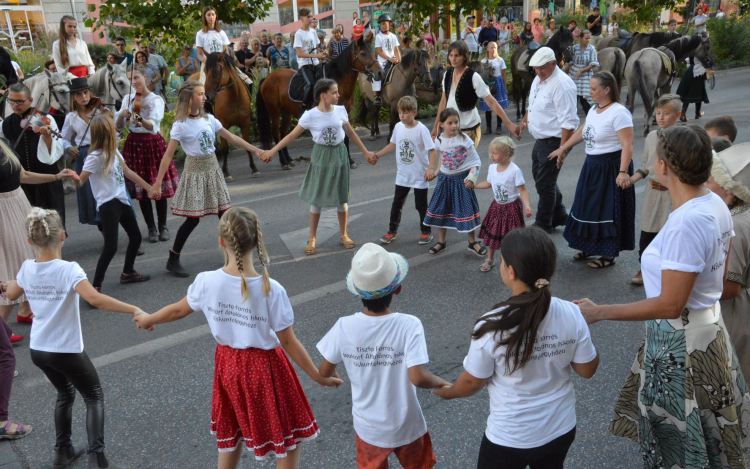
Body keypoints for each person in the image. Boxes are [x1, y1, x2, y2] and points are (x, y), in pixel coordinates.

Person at [576, 124, 750, 467]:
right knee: (708, 441)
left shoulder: (687, 222)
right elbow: (714, 275)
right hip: (707, 332)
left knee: (681, 448)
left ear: (663, 166)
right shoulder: (714, 202)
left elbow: (671, 304)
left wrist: (599, 312)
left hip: (681, 342)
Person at [135, 207, 340, 468]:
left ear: (221, 242)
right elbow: (288, 341)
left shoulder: (206, 282)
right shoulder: (271, 289)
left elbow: (177, 311)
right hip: (265, 368)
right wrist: (317, 375)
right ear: (259, 239)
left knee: (232, 434)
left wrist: (149, 319)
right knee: (287, 440)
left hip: (228, 366)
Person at [434, 227, 599, 469]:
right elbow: (586, 370)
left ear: (511, 271)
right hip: (560, 428)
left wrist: (447, 392)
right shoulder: (572, 312)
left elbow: (471, 383)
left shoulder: (493, 324)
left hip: (511, 437)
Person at [1, 207, 145, 469]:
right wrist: (133, 309)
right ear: (63, 235)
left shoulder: (27, 268)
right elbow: (94, 298)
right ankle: (97, 459)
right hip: (64, 348)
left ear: (30, 241)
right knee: (93, 396)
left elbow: (11, 294)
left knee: (65, 393)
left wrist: (9, 283)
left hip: (38, 349)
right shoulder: (69, 269)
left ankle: (63, 451)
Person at [317, 242, 448, 469]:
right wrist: (443, 383)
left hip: (369, 429)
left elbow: (324, 371)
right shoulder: (409, 325)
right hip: (407, 425)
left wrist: (332, 374)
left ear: (358, 292)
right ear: (398, 289)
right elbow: (418, 377)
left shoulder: (343, 327)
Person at [150, 81, 261, 277]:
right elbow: (167, 156)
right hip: (195, 173)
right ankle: (173, 258)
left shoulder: (209, 119)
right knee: (193, 220)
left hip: (213, 170)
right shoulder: (181, 125)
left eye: (204, 94)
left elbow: (233, 138)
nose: (205, 97)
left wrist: (256, 150)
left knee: (225, 215)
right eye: (200, 94)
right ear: (189, 98)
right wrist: (158, 183)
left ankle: (235, 256)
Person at [260, 79, 375, 254]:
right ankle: (312, 238)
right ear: (323, 95)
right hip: (321, 156)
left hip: (339, 154)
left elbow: (351, 133)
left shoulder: (340, 110)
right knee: (317, 198)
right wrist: (273, 151)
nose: (338, 95)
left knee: (342, 198)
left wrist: (365, 152)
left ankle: (343, 234)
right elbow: (291, 136)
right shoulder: (310, 115)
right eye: (334, 92)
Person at [549, 71, 635, 269]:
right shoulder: (594, 110)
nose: (590, 92)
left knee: (606, 211)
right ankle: (589, 246)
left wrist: (622, 172)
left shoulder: (619, 113)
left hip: (611, 167)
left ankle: (608, 254)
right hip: (592, 165)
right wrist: (563, 148)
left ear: (607, 90)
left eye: (593, 88)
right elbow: (582, 131)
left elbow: (627, 145)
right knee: (587, 207)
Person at [0, 139, 74, 345]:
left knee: (27, 256)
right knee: (11, 266)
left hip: (18, 203)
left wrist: (56, 176)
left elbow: (23, 176)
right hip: (2, 212)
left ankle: (24, 310)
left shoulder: (3, 144)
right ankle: (2, 328)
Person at [73, 115, 152, 289]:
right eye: (113, 130)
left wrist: (149, 188)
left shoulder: (114, 152)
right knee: (111, 247)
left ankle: (128, 272)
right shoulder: (95, 157)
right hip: (108, 204)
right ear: (106, 133)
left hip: (122, 200)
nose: (116, 132)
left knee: (136, 237)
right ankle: (95, 287)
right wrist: (74, 178)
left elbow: (128, 172)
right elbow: (81, 181)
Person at [116, 65, 179, 244]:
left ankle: (163, 226)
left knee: (157, 184)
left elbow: (152, 125)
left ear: (144, 76)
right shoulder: (128, 98)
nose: (134, 82)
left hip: (152, 143)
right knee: (142, 188)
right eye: (130, 79)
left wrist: (135, 117)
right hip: (134, 143)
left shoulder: (155, 99)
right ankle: (151, 227)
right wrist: (121, 115)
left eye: (136, 77)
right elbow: (119, 127)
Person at [519, 47, 578, 233]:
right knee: (541, 178)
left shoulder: (563, 85)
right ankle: (559, 214)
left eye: (542, 68)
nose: (538, 72)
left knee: (545, 184)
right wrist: (524, 122)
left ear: (554, 63)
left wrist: (562, 150)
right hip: (541, 139)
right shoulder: (540, 78)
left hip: (556, 140)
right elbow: (533, 104)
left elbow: (568, 122)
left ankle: (543, 224)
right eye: (535, 68)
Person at [627, 94, 681, 285]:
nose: (661, 117)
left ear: (677, 115)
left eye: (666, 113)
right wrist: (631, 179)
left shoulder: (683, 138)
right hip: (652, 192)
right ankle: (645, 268)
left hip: (673, 193)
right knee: (648, 232)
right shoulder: (651, 137)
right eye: (658, 113)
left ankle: (669, 271)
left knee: (670, 234)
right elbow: (646, 165)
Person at [708, 143, 750, 387]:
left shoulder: (733, 224)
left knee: (733, 376)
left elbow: (730, 287)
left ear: (729, 189)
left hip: (733, 313)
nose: (704, 185)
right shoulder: (742, 214)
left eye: (709, 180)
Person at [373, 96, 438, 246]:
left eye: (405, 112)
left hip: (420, 175)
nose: (402, 115)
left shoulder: (421, 130)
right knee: (397, 204)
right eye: (400, 112)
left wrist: (430, 169)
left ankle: (426, 231)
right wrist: (378, 155)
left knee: (421, 206)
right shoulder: (398, 127)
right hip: (403, 175)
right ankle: (391, 231)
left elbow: (432, 150)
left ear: (414, 112)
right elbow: (393, 144)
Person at [0, 83, 65, 226]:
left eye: (19, 101)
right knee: (30, 227)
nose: (15, 105)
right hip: (24, 184)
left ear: (30, 100)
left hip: (47, 181)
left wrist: (47, 137)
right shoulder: (5, 124)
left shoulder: (46, 119)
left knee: (53, 226)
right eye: (11, 101)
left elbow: (52, 156)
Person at [432, 41, 518, 148]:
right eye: (451, 55)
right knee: (447, 158)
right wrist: (436, 126)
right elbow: (443, 101)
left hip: (469, 129)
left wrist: (509, 124)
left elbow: (491, 102)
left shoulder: (473, 77)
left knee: (465, 159)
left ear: (464, 57)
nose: (453, 59)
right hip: (450, 129)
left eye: (457, 55)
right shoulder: (447, 74)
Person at [424, 108, 485, 256]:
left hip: (461, 182)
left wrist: (471, 178)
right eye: (450, 123)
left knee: (466, 210)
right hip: (444, 181)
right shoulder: (439, 140)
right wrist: (436, 172)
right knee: (441, 210)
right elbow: (442, 158)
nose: (454, 126)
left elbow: (475, 161)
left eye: (456, 122)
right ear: (441, 125)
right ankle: (441, 242)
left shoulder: (465, 139)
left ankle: (472, 242)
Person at [60, 77, 113, 231]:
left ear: (90, 93)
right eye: (78, 94)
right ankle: (105, 232)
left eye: (85, 93)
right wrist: (68, 148)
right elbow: (63, 138)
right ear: (73, 97)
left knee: (109, 190)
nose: (83, 97)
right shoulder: (71, 116)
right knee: (91, 194)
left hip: (102, 151)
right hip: (83, 155)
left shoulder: (100, 110)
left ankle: (118, 225)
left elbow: (113, 130)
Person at [476, 137, 532, 272]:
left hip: (512, 208)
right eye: (491, 152)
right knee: (493, 232)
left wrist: (527, 205)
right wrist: (474, 186)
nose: (491, 156)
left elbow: (523, 190)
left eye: (495, 153)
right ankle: (489, 258)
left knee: (509, 236)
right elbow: (489, 183)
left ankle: (508, 260)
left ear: (506, 155)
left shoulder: (514, 170)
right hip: (496, 207)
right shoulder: (492, 168)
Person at [295, 7, 327, 110]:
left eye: (312, 16)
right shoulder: (298, 34)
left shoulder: (313, 32)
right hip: (304, 64)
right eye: (308, 17)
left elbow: (317, 48)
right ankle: (304, 106)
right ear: (302, 18)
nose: (311, 19)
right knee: (311, 84)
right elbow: (299, 54)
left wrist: (322, 52)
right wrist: (317, 56)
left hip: (316, 63)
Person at [479, 42, 509, 136]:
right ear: (488, 49)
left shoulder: (500, 60)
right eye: (491, 47)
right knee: (488, 106)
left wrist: (505, 87)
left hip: (498, 82)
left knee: (498, 105)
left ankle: (499, 126)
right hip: (487, 83)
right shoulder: (483, 61)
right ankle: (488, 127)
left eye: (495, 47)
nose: (493, 49)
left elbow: (503, 74)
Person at [566, 30, 599, 115]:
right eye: (586, 38)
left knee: (585, 100)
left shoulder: (591, 49)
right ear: (581, 38)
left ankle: (591, 117)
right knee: (573, 99)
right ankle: (572, 119)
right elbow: (569, 60)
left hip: (585, 77)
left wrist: (581, 70)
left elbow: (593, 64)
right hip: (574, 76)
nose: (588, 40)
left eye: (589, 38)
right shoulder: (575, 48)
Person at [373, 14, 400, 106]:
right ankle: (376, 95)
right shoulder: (378, 36)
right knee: (377, 73)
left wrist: (399, 60)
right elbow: (379, 52)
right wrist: (389, 58)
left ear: (389, 24)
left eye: (385, 23)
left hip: (393, 59)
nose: (383, 25)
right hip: (382, 61)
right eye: (382, 24)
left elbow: (396, 50)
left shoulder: (393, 36)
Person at [677, 56, 712, 122]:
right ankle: (697, 113)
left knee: (687, 93)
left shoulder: (690, 51)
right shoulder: (699, 52)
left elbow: (686, 61)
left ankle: (683, 114)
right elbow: (705, 61)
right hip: (697, 72)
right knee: (699, 92)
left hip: (689, 71)